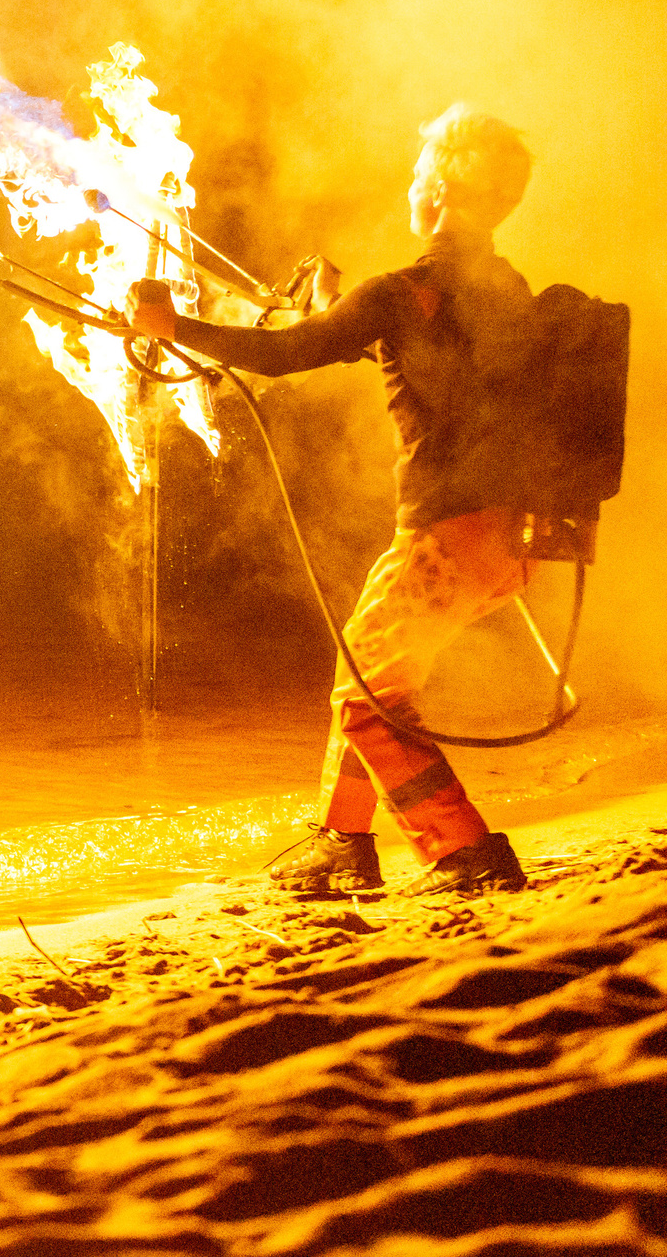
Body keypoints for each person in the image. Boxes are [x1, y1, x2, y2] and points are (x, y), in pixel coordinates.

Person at [129, 103, 540, 898]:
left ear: (444, 196)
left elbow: (288, 354)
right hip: (505, 535)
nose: (412, 190)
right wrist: (332, 311)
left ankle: (466, 853)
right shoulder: (504, 287)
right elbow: (409, 353)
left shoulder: (404, 292)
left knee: (365, 693)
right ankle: (343, 840)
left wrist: (173, 325)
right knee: (369, 670)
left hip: (444, 534)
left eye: (421, 178)